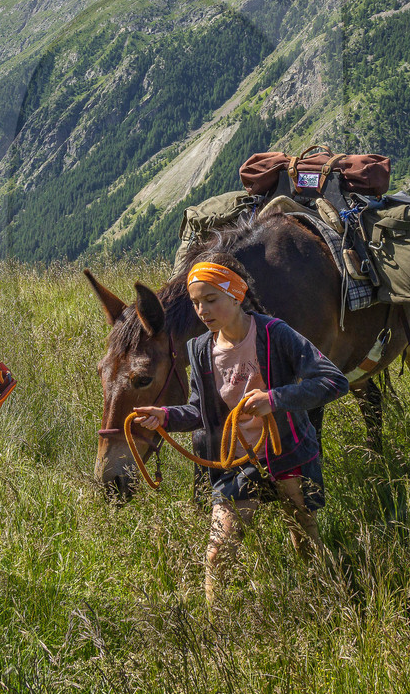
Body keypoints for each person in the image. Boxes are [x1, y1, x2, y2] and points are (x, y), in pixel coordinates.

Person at [131, 256, 348, 605]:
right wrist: (165, 416)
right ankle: (217, 633)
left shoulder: (274, 333)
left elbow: (333, 381)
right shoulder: (201, 350)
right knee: (216, 555)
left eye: (211, 299)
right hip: (236, 462)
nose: (202, 310)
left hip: (285, 454)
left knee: (305, 542)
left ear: (236, 295)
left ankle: (324, 604)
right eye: (196, 302)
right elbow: (200, 412)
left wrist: (275, 399)